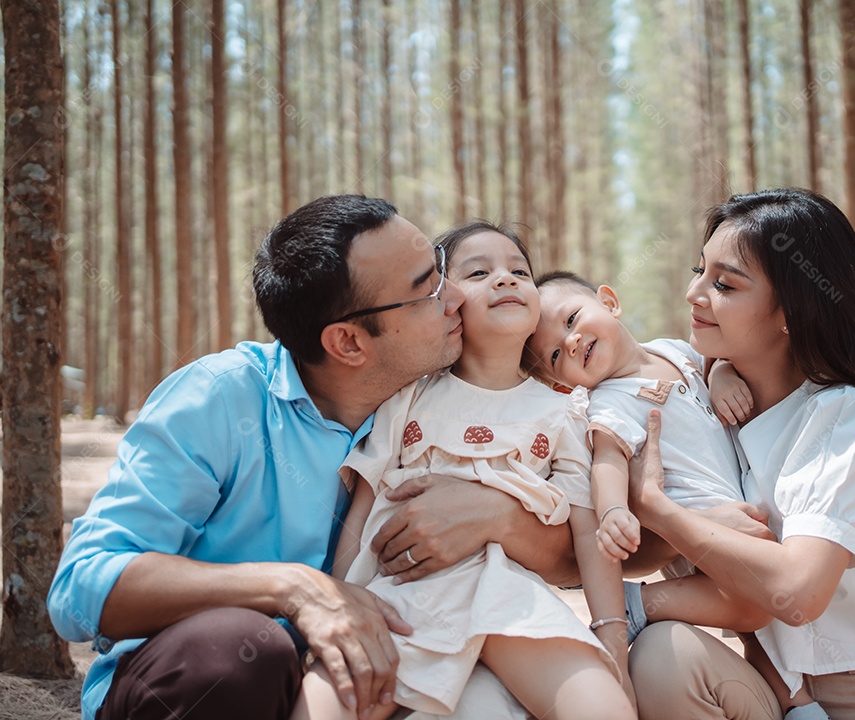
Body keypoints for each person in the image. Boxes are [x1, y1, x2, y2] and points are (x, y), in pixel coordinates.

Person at [47, 196, 573, 720]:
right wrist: (291, 589)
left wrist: (499, 517)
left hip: (378, 679)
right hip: (211, 684)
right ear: (347, 342)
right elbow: (81, 588)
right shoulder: (220, 400)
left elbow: (601, 552)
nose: (456, 294)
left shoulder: (443, 402)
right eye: (428, 288)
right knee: (238, 651)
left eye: (439, 269)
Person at [625, 188, 855, 720]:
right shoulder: (697, 399)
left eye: (725, 283)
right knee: (664, 659)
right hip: (768, 686)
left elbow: (797, 593)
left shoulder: (843, 414)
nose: (693, 293)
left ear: (794, 310)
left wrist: (658, 513)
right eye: (699, 270)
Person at [291, 221, 635, 720]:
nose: (506, 279)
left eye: (519, 270)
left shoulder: (565, 412)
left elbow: (587, 529)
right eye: (479, 272)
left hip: (510, 603)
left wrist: (612, 637)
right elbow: (363, 500)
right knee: (324, 704)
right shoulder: (411, 394)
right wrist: (348, 598)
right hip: (403, 598)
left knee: (603, 707)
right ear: (445, 301)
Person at [524, 272, 828, 719]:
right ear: (563, 384)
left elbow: (710, 364)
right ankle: (636, 606)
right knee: (753, 606)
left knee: (762, 625)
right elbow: (608, 458)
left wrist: (722, 375)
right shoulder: (609, 403)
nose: (570, 342)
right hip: (693, 523)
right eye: (554, 354)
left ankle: (796, 703)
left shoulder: (672, 349)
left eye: (571, 319)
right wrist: (611, 512)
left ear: (609, 301)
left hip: (734, 507)